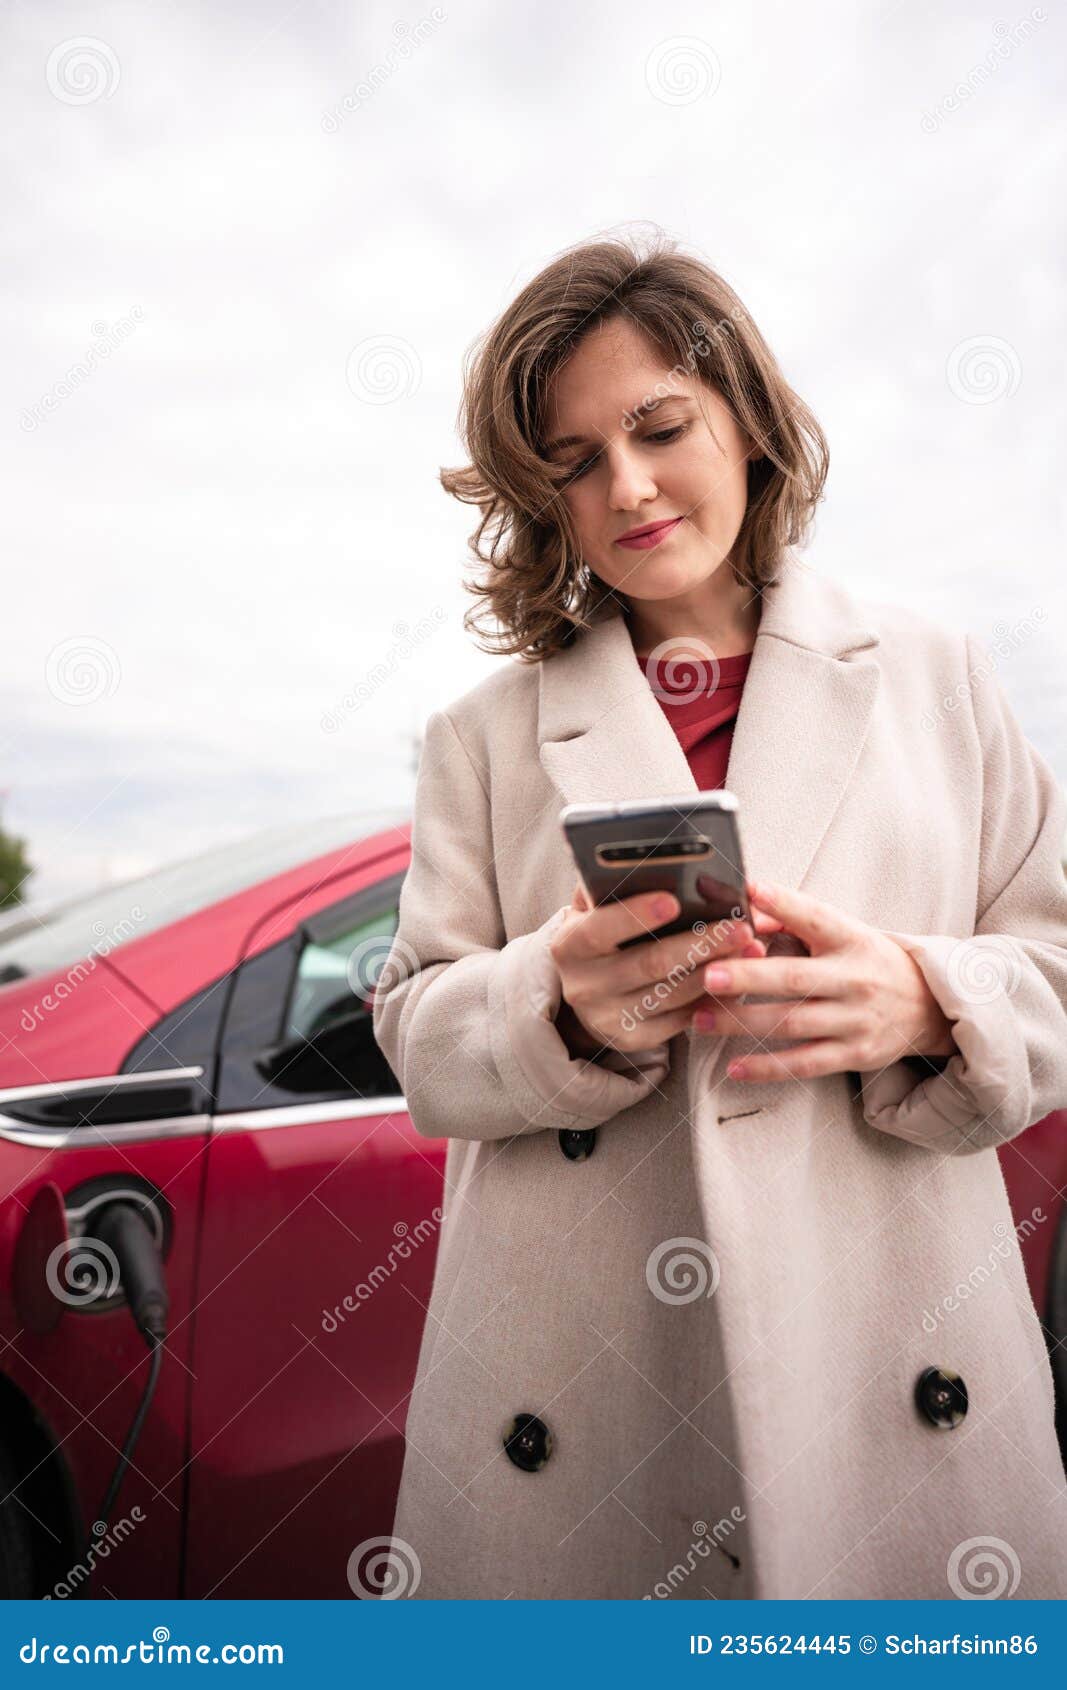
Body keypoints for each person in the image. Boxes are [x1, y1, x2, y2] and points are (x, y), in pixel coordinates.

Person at [372, 231, 1067, 1600]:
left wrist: (928, 999)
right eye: (572, 462)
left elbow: (1055, 965)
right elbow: (411, 1026)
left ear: (747, 419)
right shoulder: (481, 733)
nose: (626, 485)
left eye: (658, 425)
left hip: (894, 1366)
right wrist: (549, 1002)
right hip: (584, 1398)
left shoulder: (939, 672)